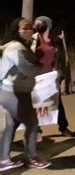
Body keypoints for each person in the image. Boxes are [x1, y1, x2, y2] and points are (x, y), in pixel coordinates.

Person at [0, 18, 51, 171]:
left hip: (10, 92)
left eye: (30, 27)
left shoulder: (18, 45)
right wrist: (40, 65)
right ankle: (33, 157)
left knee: (10, 126)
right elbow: (27, 69)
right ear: (17, 29)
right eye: (25, 27)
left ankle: (3, 160)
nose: (29, 29)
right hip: (16, 94)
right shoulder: (16, 47)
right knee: (32, 124)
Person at [32, 16, 73, 139]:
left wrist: (61, 74)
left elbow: (61, 59)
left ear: (48, 25)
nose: (37, 25)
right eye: (36, 23)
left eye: (40, 23)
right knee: (36, 104)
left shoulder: (55, 40)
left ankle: (63, 127)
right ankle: (36, 130)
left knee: (57, 102)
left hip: (50, 77)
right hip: (36, 77)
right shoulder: (33, 40)